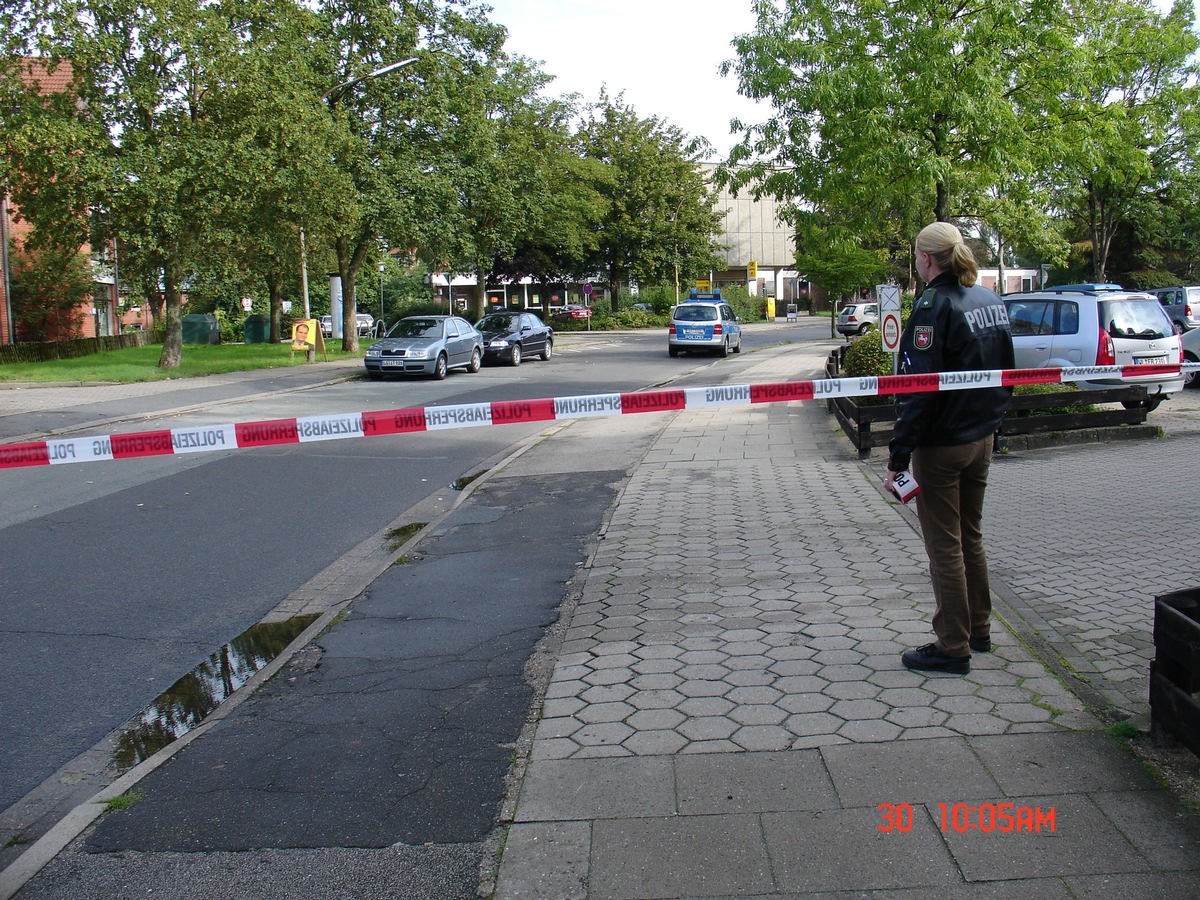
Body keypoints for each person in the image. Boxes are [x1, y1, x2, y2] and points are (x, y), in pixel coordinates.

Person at [886, 222, 1015, 675]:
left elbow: (918, 391)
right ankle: (978, 629)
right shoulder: (988, 300)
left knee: (945, 546)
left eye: (916, 257)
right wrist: (993, 427)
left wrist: (898, 456)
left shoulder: (932, 306)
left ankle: (952, 645)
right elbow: (1008, 375)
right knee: (971, 537)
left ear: (925, 259)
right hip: (980, 439)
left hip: (941, 447)